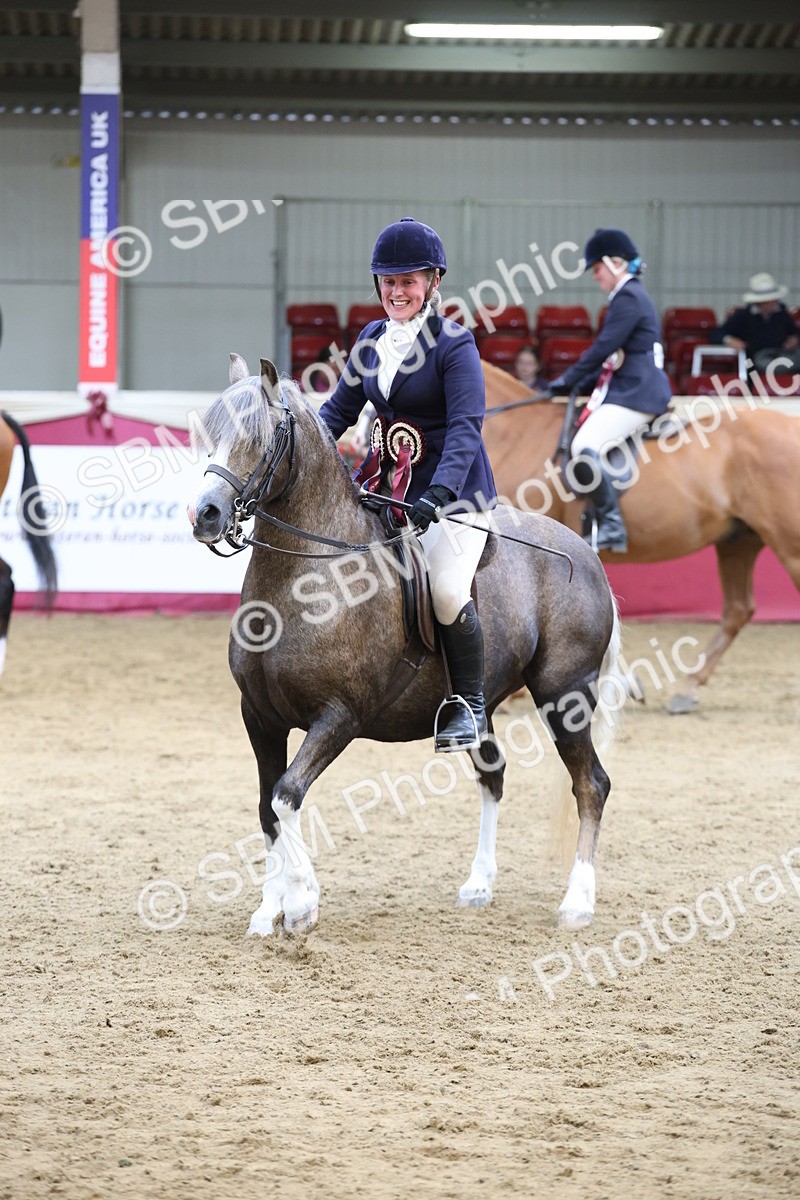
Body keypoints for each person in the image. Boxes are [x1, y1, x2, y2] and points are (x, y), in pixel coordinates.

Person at [318, 217, 497, 752]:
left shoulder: (454, 343)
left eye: (409, 281)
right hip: (386, 489)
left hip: (455, 496)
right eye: (389, 282)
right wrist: (302, 450)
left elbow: (466, 428)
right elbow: (337, 413)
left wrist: (437, 495)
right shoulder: (370, 339)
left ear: (432, 282)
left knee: (445, 591)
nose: (398, 291)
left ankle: (469, 705)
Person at [540, 228, 672, 554]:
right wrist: (577, 384)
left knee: (585, 443)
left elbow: (603, 348)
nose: (596, 277)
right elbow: (611, 360)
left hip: (638, 393)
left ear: (615, 263)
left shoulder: (628, 298)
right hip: (629, 387)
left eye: (597, 269)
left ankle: (612, 524)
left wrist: (566, 380)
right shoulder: (630, 297)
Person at [709, 273, 800, 376]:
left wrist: (793, 339)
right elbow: (716, 334)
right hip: (757, 358)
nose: (775, 302)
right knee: (762, 363)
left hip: (783, 354)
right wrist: (730, 340)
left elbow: (792, 333)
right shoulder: (743, 316)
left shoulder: (781, 314)